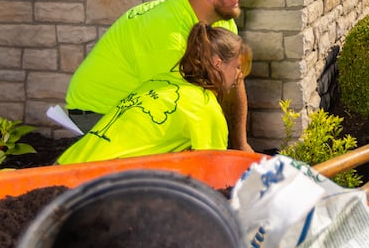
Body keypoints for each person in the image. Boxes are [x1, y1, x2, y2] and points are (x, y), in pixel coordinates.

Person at [64, 0, 258, 151]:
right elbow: (175, 109)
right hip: (98, 111)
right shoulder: (166, 35)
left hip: (141, 104)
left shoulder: (223, 19)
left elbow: (234, 78)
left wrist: (241, 144)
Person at [58, 23, 252, 164]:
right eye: (237, 67)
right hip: (95, 183)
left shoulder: (160, 81)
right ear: (218, 62)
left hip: (65, 165)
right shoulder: (204, 108)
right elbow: (213, 173)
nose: (239, 75)